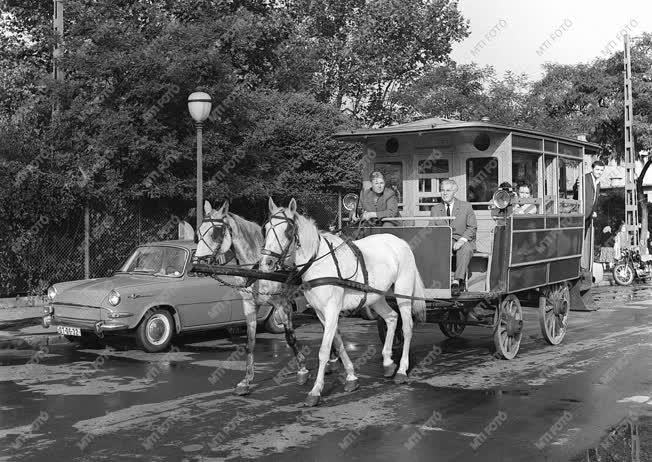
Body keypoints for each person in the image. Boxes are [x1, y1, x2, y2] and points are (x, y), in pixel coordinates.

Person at [430, 179, 477, 297]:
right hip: (445, 240)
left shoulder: (466, 206)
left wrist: (462, 240)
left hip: (463, 239)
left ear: (454, 192)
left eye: (448, 190)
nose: (444, 193)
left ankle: (457, 281)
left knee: (465, 249)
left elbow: (472, 227)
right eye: (442, 190)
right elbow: (431, 228)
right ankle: (438, 281)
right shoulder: (435, 209)